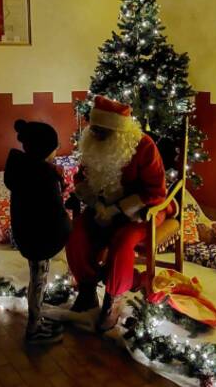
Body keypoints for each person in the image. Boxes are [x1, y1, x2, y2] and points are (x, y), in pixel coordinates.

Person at [66, 95, 168, 331]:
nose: (97, 135)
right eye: (95, 129)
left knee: (122, 242)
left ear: (119, 131)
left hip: (143, 210)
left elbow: (156, 191)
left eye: (104, 131)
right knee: (76, 234)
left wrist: (118, 209)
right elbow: (82, 178)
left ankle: (114, 297)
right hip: (101, 208)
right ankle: (88, 288)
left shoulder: (143, 146)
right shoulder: (92, 143)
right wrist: (96, 203)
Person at [4, 119, 70, 344]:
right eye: (56, 145)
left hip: (28, 233)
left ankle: (38, 319)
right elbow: (53, 213)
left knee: (37, 278)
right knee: (39, 280)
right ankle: (34, 328)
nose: (58, 149)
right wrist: (66, 225)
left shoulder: (24, 168)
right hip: (39, 238)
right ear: (45, 149)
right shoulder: (42, 176)